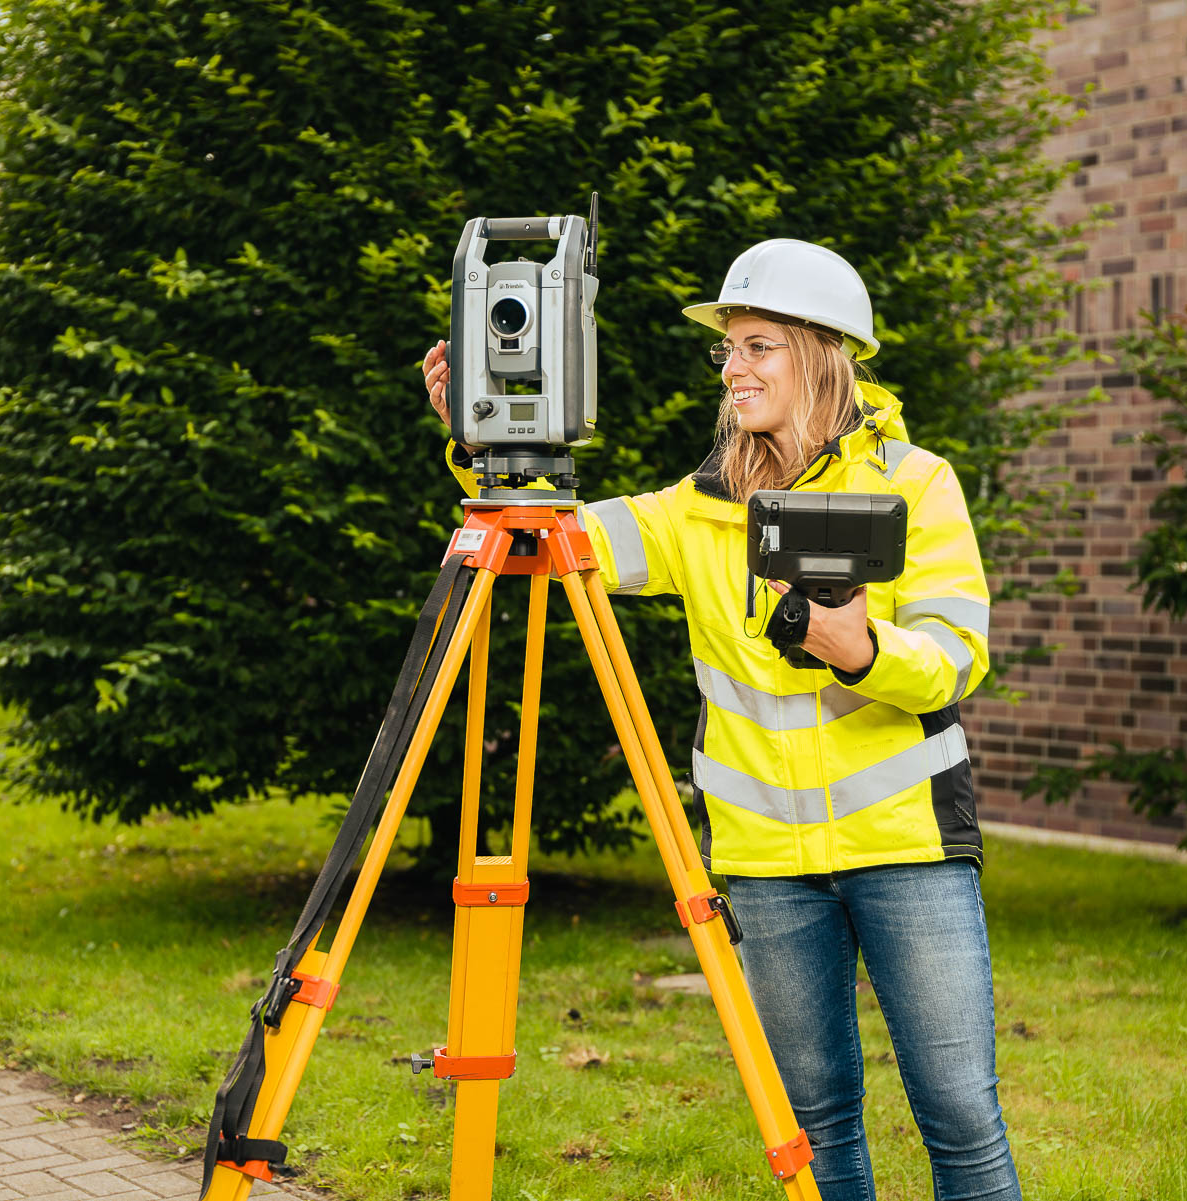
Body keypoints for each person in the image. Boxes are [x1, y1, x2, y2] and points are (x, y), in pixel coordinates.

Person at [420, 238, 1019, 1201]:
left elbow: (959, 658)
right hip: (767, 866)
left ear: (824, 354)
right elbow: (547, 541)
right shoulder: (696, 509)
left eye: (759, 345)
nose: (734, 366)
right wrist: (490, 442)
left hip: (910, 852)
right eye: (729, 348)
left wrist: (860, 647)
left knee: (959, 1115)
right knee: (816, 1126)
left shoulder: (915, 482)